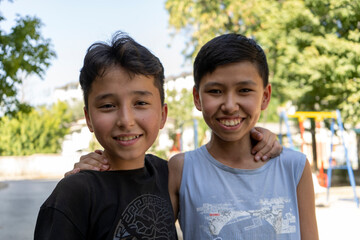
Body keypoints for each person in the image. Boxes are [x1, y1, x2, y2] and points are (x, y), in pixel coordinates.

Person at [168, 33, 318, 239]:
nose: (230, 106)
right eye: (215, 91)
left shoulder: (294, 167)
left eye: (244, 90)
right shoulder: (181, 170)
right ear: (197, 97)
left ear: (265, 97)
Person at [34, 32, 178, 239]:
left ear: (163, 115)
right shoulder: (74, 194)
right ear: (89, 118)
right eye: (108, 106)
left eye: (140, 103)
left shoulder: (169, 176)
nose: (126, 120)